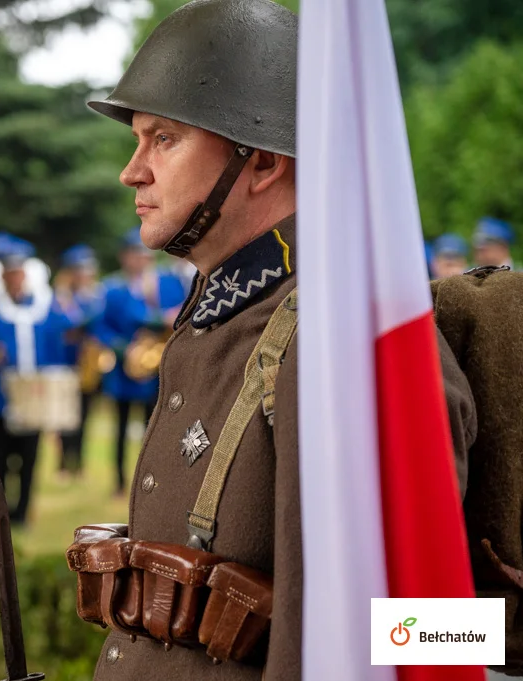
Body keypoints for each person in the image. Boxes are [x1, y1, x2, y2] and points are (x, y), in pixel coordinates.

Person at [66, 2, 476, 680]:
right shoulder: (217, 316)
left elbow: (428, 620)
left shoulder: (342, 343)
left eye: (164, 139)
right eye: (138, 140)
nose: (131, 171)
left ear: (259, 164)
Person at [0, 238, 72, 525]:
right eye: (9, 272)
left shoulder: (44, 305)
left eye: (19, 271)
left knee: (29, 456)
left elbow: (56, 344)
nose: (15, 277)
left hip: (33, 393)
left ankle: (23, 512)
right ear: (2, 275)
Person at [93, 227, 187, 496]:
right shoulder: (112, 289)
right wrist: (122, 349)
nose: (142, 260)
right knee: (120, 427)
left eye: (145, 255)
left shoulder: (166, 283)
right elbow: (101, 327)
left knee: (153, 426)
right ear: (125, 257)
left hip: (155, 368)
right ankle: (120, 481)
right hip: (124, 369)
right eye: (136, 255)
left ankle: (150, 479)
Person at [54, 244, 106, 478]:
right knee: (66, 417)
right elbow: (64, 325)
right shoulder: (62, 298)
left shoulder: (93, 297)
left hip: (87, 364)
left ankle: (79, 463)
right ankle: (64, 462)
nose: (85, 274)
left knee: (85, 415)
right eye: (80, 269)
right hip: (66, 363)